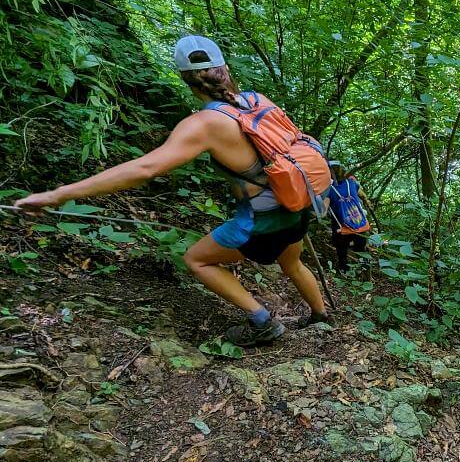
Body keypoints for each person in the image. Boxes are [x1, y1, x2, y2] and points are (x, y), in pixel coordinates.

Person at [12, 35, 330, 346]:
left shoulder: (204, 124)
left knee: (197, 260)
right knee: (292, 263)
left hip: (263, 222)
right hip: (297, 206)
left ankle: (262, 323)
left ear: (187, 81)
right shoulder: (258, 101)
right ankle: (320, 317)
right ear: (226, 70)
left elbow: (144, 169)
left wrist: (59, 194)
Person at [325, 162, 373, 272]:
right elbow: (362, 195)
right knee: (361, 249)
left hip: (341, 228)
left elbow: (323, 210)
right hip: (358, 224)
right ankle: (365, 271)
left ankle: (344, 271)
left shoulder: (328, 190)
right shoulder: (351, 183)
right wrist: (366, 201)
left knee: (342, 251)